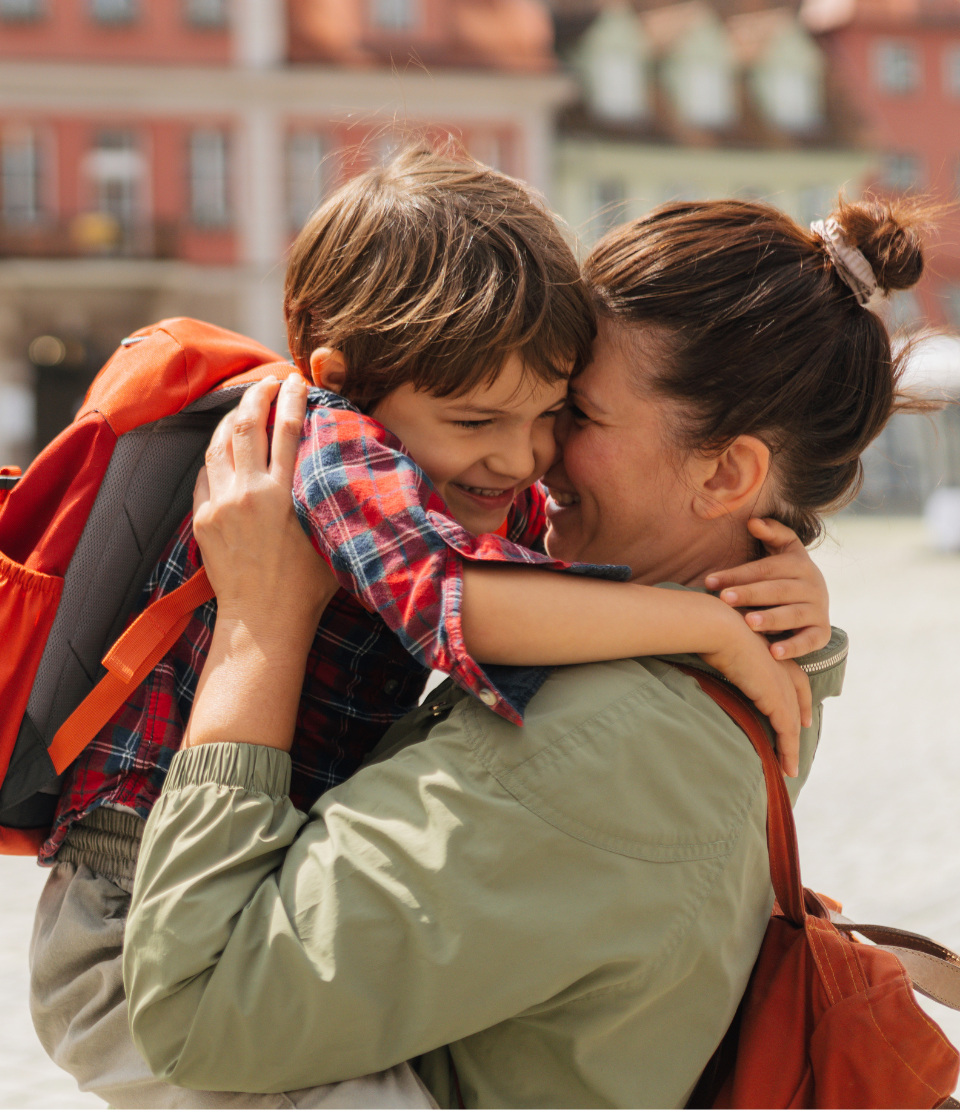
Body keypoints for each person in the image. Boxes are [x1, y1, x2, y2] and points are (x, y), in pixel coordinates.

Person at [30, 150, 823, 1110]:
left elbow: (558, 595)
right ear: (347, 377)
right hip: (127, 914)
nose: (525, 455)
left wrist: (782, 606)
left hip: (234, 874)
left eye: (551, 414)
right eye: (481, 418)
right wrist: (711, 626)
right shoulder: (330, 446)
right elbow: (455, 595)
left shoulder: (452, 456)